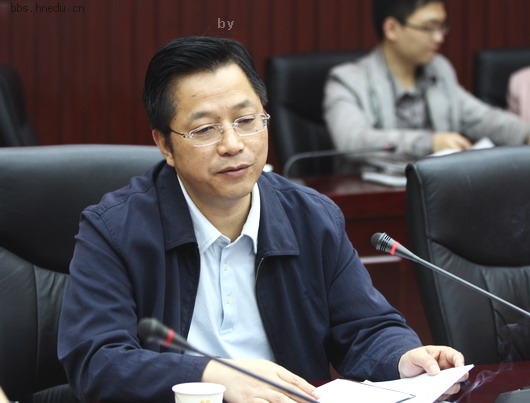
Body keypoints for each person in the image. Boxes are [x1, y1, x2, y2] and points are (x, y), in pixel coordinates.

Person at [58, 36, 466, 403]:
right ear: (165, 145)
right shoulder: (114, 229)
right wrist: (212, 375)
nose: (233, 144)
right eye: (205, 129)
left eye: (246, 120)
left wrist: (402, 356)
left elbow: (365, 328)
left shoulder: (311, 217)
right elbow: (97, 361)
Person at [323, 0, 530, 170]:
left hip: (437, 195)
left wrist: (525, 133)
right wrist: (428, 143)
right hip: (372, 197)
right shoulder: (347, 80)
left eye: (441, 27)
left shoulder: (438, 70)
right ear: (391, 29)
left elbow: (482, 117)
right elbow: (353, 140)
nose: (439, 37)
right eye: (429, 28)